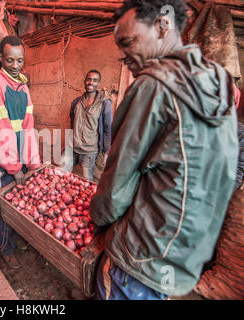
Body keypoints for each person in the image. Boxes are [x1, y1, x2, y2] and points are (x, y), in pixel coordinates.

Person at [89, 0, 239, 300]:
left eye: (128, 41)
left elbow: (116, 188)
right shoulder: (215, 86)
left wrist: (97, 220)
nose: (122, 54)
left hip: (141, 253)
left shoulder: (155, 85)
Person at [0, 35, 41, 269]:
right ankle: (5, 247)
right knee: (9, 207)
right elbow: (1, 131)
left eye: (19, 61)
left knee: (22, 201)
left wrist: (33, 163)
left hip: (17, 156)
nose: (15, 66)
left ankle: (16, 237)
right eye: (10, 61)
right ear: (0, 59)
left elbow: (28, 127)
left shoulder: (23, 87)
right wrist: (14, 168)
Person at [68, 70, 112, 183]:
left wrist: (107, 151)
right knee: (63, 174)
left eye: (95, 80)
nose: (91, 82)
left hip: (90, 151)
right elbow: (72, 124)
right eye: (89, 79)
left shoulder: (104, 103)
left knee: (87, 182)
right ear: (85, 81)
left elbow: (108, 129)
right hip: (73, 148)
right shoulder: (76, 102)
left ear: (98, 83)